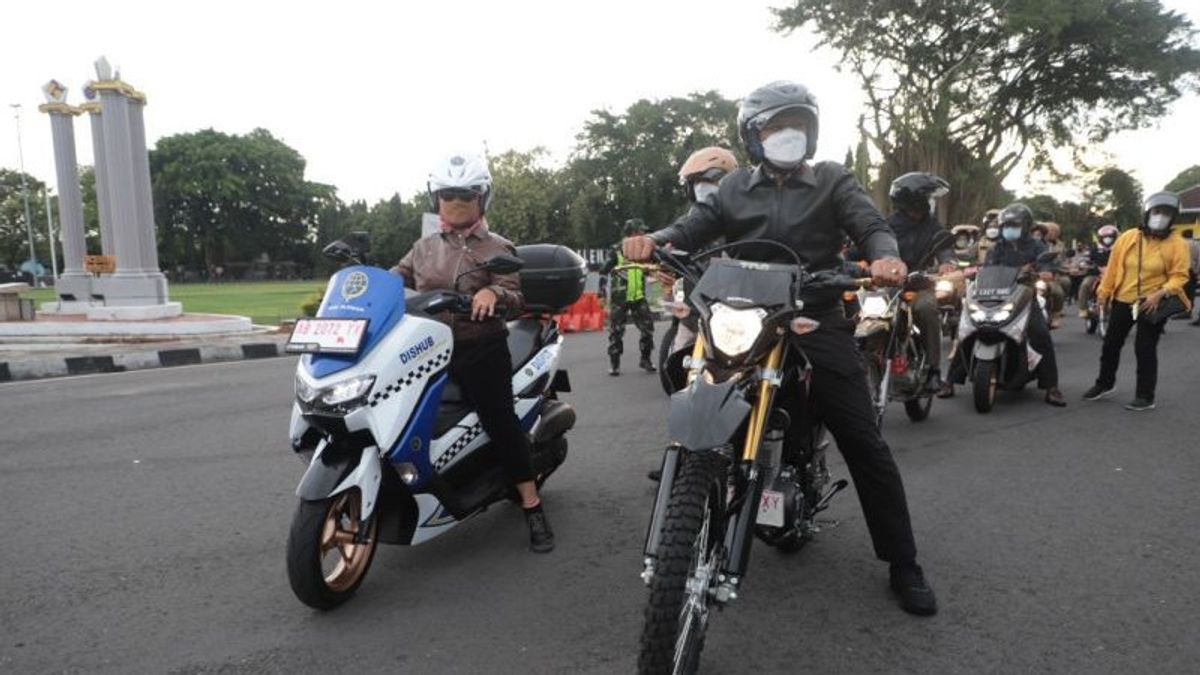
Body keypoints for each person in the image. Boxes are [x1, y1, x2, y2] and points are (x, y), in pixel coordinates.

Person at [623, 80, 937, 617]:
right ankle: (698, 493)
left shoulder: (834, 180)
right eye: (774, 126)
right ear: (753, 135)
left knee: (863, 439)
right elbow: (690, 228)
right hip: (738, 314)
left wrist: (885, 256)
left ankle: (903, 562)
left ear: (810, 132)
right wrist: (653, 240)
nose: (786, 135)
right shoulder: (733, 188)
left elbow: (871, 226)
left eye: (796, 125)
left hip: (813, 314)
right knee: (683, 370)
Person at [392, 152, 554, 552]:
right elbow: (396, 279)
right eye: (448, 194)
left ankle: (532, 506)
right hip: (426, 348)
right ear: (436, 199)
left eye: (467, 194)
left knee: (500, 421)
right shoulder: (423, 247)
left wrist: (492, 291)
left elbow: (515, 296)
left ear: (483, 198)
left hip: (480, 348)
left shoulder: (497, 246)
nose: (457, 201)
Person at [939, 203, 1067, 406]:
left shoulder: (1037, 247)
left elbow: (1047, 264)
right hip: (993, 296)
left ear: (1025, 226)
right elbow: (988, 268)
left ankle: (1051, 387)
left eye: (1013, 225)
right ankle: (949, 381)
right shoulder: (997, 247)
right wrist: (974, 272)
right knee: (968, 329)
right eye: (1006, 225)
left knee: (1040, 334)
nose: (1009, 228)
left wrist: (1044, 271)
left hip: (1024, 297)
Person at [1082, 192, 1192, 411]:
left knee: (1145, 348)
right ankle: (1104, 383)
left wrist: (1160, 293)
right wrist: (1103, 293)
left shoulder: (1177, 243)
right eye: (1157, 211)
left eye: (1167, 213)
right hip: (1123, 299)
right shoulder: (1129, 237)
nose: (1161, 216)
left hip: (1151, 302)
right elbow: (1113, 267)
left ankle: (1145, 396)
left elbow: (1180, 275)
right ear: (1148, 213)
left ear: (1173, 218)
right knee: (1111, 343)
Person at [884, 172, 958, 392]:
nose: (931, 202)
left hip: (919, 285)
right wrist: (852, 261)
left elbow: (944, 247)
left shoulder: (932, 226)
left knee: (926, 309)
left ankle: (934, 370)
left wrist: (947, 262)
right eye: (928, 197)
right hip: (887, 286)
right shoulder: (887, 226)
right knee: (862, 311)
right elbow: (861, 248)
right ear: (914, 200)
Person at [602, 219, 657, 376]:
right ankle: (614, 365)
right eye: (641, 231)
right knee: (616, 332)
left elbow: (651, 267)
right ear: (632, 232)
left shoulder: (643, 249)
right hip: (620, 298)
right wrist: (601, 292)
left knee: (648, 329)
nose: (644, 234)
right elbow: (603, 271)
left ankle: (645, 360)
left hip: (638, 296)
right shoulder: (616, 250)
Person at [1077, 224, 1118, 314]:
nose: (1107, 239)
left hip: (1114, 275)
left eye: (1110, 237)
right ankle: (1083, 309)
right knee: (1085, 285)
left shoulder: (1119, 248)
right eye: (1105, 237)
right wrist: (1085, 264)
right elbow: (1085, 259)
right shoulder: (1093, 248)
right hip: (1095, 274)